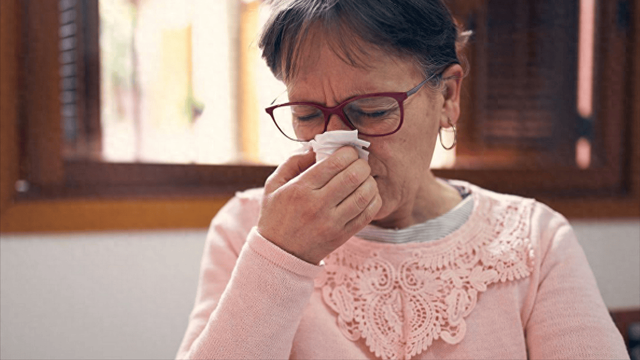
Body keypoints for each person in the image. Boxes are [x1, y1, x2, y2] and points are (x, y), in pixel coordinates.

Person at [176, 1, 629, 359]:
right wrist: (280, 257)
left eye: (372, 111)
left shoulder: (534, 242)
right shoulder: (247, 229)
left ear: (448, 97)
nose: (338, 143)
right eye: (307, 114)